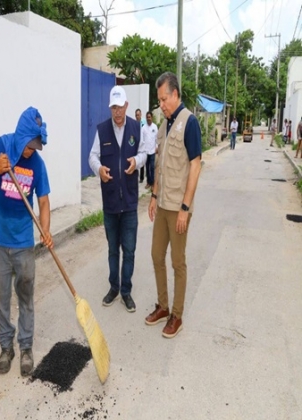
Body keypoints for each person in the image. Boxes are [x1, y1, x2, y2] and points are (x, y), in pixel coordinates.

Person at [0, 107, 53, 376]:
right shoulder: (1, 146)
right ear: (21, 136)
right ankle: (6, 346)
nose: (31, 151)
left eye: (35, 146)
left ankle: (26, 347)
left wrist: (45, 230)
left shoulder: (37, 165)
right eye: (29, 145)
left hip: (23, 243)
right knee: (1, 296)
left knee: (26, 296)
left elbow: (43, 201)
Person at [146, 72, 202, 338]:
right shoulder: (163, 126)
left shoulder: (189, 122)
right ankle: (163, 306)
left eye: (164, 99)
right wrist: (154, 197)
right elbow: (160, 167)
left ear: (175, 94)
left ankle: (176, 315)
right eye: (159, 100)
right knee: (157, 255)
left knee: (177, 262)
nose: (162, 105)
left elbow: (195, 165)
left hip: (179, 208)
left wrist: (185, 208)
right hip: (163, 205)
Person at [89, 86, 147, 312]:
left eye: (121, 107)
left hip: (130, 202)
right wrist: (99, 169)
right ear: (111, 108)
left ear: (127, 105)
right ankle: (114, 287)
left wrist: (137, 162)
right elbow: (92, 156)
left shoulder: (135, 127)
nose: (117, 112)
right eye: (114, 107)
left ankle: (126, 291)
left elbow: (144, 152)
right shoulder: (102, 130)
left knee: (129, 249)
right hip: (111, 202)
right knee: (113, 249)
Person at [142, 111, 158, 189]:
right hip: (146, 151)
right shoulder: (143, 128)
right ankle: (148, 182)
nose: (148, 118)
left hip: (152, 151)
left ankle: (152, 183)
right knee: (147, 168)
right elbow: (142, 140)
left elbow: (156, 138)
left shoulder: (155, 127)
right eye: (147, 117)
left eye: (149, 117)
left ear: (152, 117)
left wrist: (157, 147)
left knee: (152, 167)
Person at [135, 109, 146, 183]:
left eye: (138, 115)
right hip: (136, 144)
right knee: (136, 160)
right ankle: (136, 176)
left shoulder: (144, 122)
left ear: (141, 115)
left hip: (143, 144)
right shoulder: (134, 123)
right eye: (136, 115)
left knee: (142, 160)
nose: (137, 116)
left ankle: (141, 178)